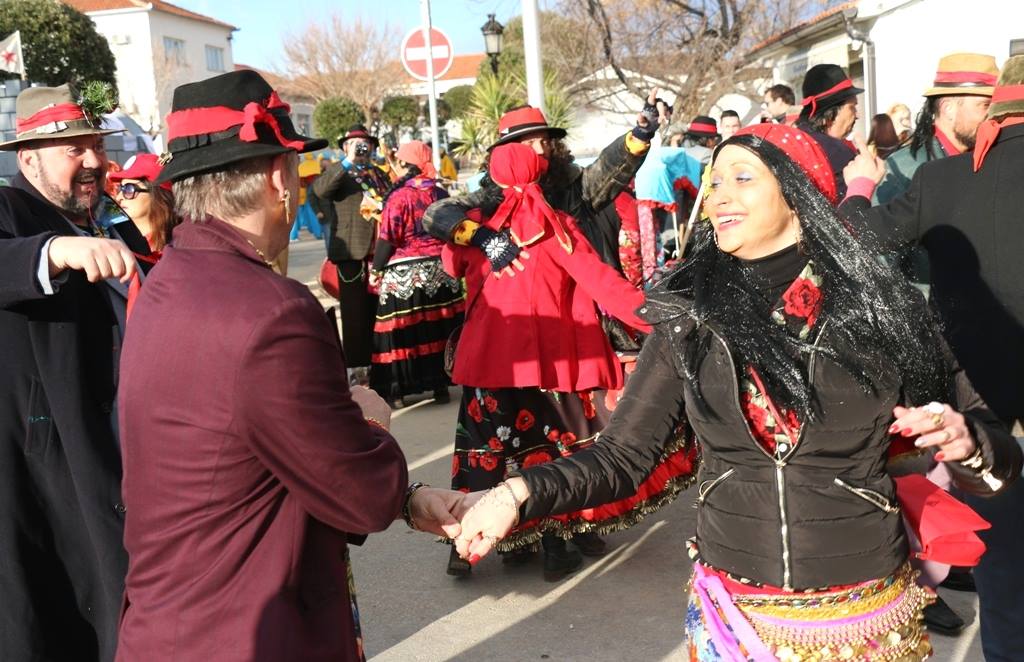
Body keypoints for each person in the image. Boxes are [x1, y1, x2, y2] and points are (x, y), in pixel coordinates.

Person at [454, 123, 1022, 660]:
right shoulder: (690, 316)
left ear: (798, 192)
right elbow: (624, 457)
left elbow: (997, 461)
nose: (719, 194)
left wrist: (967, 441)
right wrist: (516, 492)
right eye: (715, 181)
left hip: (868, 610)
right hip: (736, 614)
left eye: (742, 178)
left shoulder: (884, 309)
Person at [116, 69, 464, 662]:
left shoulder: (170, 276)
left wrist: (408, 497)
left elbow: (264, 453)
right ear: (279, 178)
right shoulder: (273, 311)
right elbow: (355, 490)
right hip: (244, 629)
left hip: (170, 624)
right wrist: (370, 422)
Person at [442, 142, 695, 581]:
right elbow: (606, 287)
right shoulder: (557, 228)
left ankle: (470, 545)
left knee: (491, 455)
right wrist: (663, 319)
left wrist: (479, 237)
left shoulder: (478, 232)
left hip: (487, 369)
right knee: (555, 455)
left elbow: (450, 265)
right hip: (554, 370)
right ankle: (557, 548)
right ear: (540, 174)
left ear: (496, 179)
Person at [841, 55, 1024, 661]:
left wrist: (858, 191)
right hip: (975, 415)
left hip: (987, 413)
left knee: (1008, 585)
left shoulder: (943, 180)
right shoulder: (930, 171)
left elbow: (854, 245)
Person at [0, 83, 148, 661]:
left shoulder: (110, 222)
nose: (92, 161)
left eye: (95, 146)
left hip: (115, 444)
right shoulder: (10, 210)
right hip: (43, 454)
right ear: (27, 157)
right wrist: (53, 252)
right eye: (73, 149)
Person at [423, 92, 666, 277]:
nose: (541, 150)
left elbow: (608, 168)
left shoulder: (575, 185)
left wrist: (642, 134)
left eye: (544, 142)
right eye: (530, 144)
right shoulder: (491, 196)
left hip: (582, 295)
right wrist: (484, 238)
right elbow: (435, 215)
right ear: (509, 152)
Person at [368, 140, 464, 407]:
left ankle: (399, 390)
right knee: (439, 328)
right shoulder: (440, 193)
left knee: (403, 331)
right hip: (441, 270)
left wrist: (376, 270)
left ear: (403, 164)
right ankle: (440, 387)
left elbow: (388, 237)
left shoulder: (399, 197)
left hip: (405, 274)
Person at [313, 124, 392, 385]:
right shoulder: (338, 173)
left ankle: (380, 365)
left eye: (364, 144)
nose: (360, 148)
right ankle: (357, 370)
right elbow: (319, 191)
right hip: (351, 252)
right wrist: (348, 162)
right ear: (345, 147)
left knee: (379, 312)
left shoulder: (379, 175)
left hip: (379, 252)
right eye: (354, 144)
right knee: (354, 313)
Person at [874, 52, 997, 204]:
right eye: (985, 105)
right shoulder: (905, 169)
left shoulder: (988, 159)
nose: (993, 115)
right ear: (948, 108)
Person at [795, 63, 862, 198]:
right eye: (852, 107)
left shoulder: (794, 139)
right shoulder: (838, 154)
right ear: (830, 112)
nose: (857, 115)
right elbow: (853, 211)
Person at [109, 153, 176, 254]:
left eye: (129, 189)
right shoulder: (114, 242)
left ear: (157, 194)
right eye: (120, 189)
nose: (119, 198)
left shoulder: (182, 243)